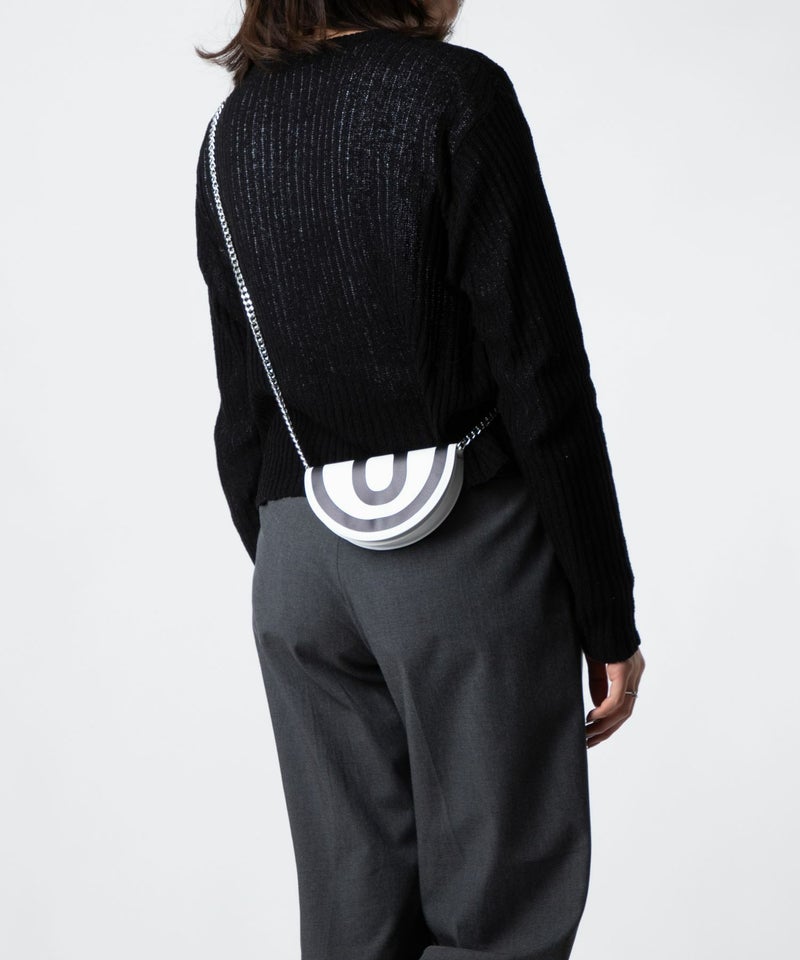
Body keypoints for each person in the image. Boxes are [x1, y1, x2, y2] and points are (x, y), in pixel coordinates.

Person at [194, 2, 646, 957]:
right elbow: (538, 369)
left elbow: (242, 408)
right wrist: (606, 613)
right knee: (497, 923)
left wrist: (298, 559)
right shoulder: (454, 93)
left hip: (297, 565)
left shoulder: (231, 130)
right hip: (458, 551)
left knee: (351, 924)